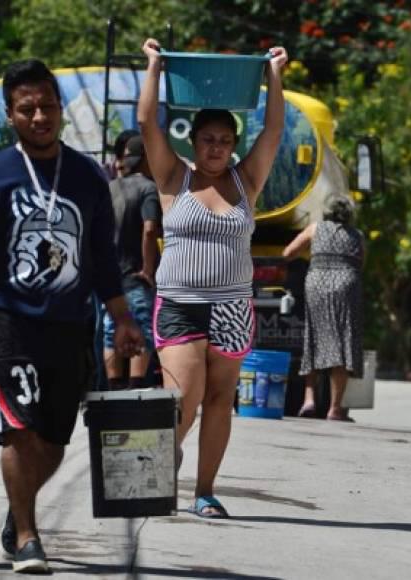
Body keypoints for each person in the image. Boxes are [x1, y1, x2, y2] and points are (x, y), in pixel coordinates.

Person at [0, 59, 143, 574]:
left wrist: (124, 319)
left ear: (59, 107)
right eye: (27, 109)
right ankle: (26, 536)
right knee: (18, 428)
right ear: (10, 114)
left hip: (70, 323)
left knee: (55, 440)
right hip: (8, 320)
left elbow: (103, 259)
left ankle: (16, 510)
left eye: (48, 105)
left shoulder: (88, 177)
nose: (40, 116)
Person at [138, 38, 288, 518]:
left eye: (225, 140)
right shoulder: (173, 178)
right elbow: (146, 123)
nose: (217, 148)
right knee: (185, 395)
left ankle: (204, 492)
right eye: (208, 140)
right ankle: (164, 457)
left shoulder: (247, 182)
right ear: (193, 142)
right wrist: (154, 68)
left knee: (221, 400)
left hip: (233, 306)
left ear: (233, 145)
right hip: (180, 302)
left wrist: (275, 77)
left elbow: (274, 130)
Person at [283, 195, 364, 421]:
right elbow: (360, 262)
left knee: (314, 339)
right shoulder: (358, 236)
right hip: (347, 286)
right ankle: (335, 409)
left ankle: (309, 400)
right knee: (341, 343)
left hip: (317, 284)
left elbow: (288, 254)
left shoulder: (315, 229)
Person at [103, 135, 161, 389]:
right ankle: (135, 388)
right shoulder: (148, 188)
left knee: (109, 335)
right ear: (146, 159)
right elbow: (149, 230)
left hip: (111, 279)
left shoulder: (110, 188)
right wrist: (147, 270)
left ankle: (114, 388)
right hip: (135, 275)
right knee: (142, 332)